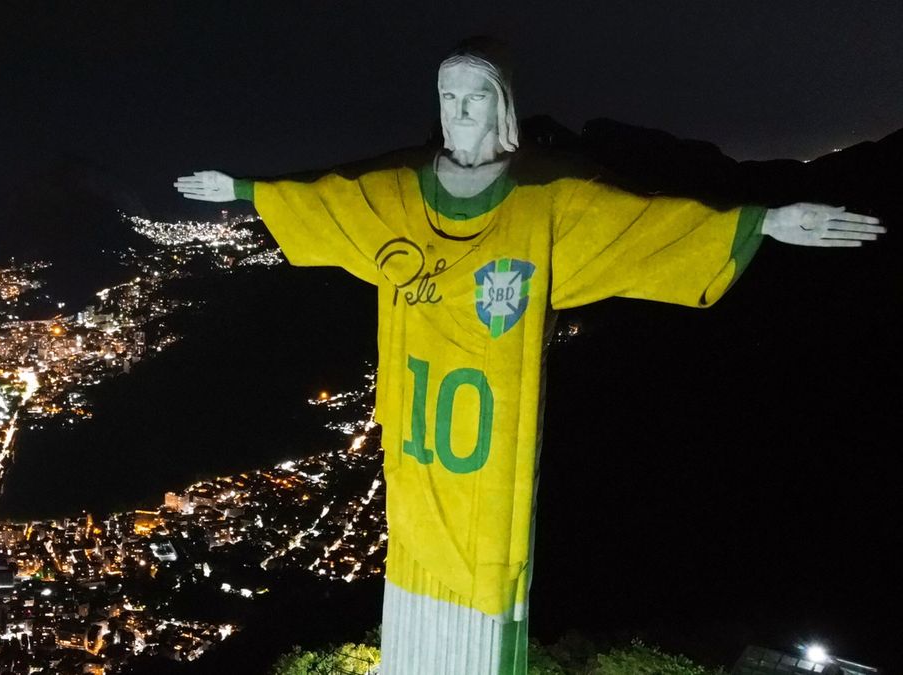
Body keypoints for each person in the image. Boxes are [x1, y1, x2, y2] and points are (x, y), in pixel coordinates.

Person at [175, 37, 883, 675]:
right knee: (409, 569)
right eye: (447, 97)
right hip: (419, 451)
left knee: (487, 593)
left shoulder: (546, 206)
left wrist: (764, 221)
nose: (459, 110)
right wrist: (241, 191)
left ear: (502, 106)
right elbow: (327, 204)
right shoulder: (396, 199)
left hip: (490, 460)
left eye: (475, 95)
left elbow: (647, 226)